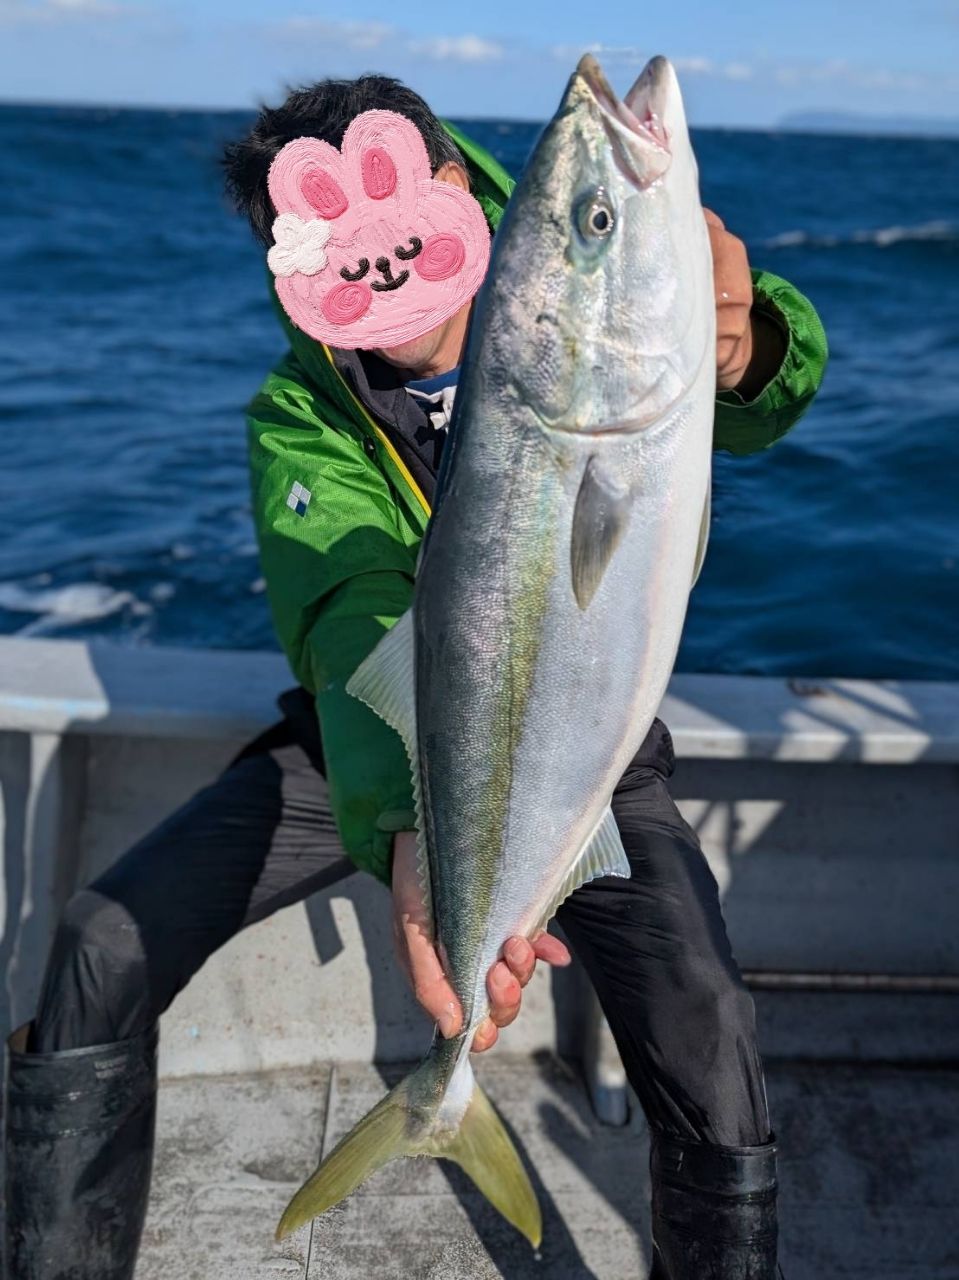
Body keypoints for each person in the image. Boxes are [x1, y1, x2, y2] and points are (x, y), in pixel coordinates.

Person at [3, 74, 827, 1280]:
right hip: (368, 737)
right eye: (316, 238)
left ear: (447, 183)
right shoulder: (300, 412)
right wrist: (407, 832)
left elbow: (745, 400)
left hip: (582, 743)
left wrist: (744, 337)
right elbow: (348, 620)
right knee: (97, 942)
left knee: (711, 1027)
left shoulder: (573, 308)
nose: (370, 269)